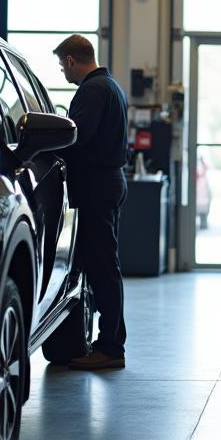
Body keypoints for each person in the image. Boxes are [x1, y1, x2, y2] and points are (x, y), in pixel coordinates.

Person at [53, 34, 130, 370]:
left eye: (61, 66)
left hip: (97, 185)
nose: (63, 73)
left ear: (71, 60)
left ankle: (111, 348)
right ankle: (108, 343)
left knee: (102, 267)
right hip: (108, 182)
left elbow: (77, 137)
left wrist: (45, 149)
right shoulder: (111, 86)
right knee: (102, 265)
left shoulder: (92, 90)